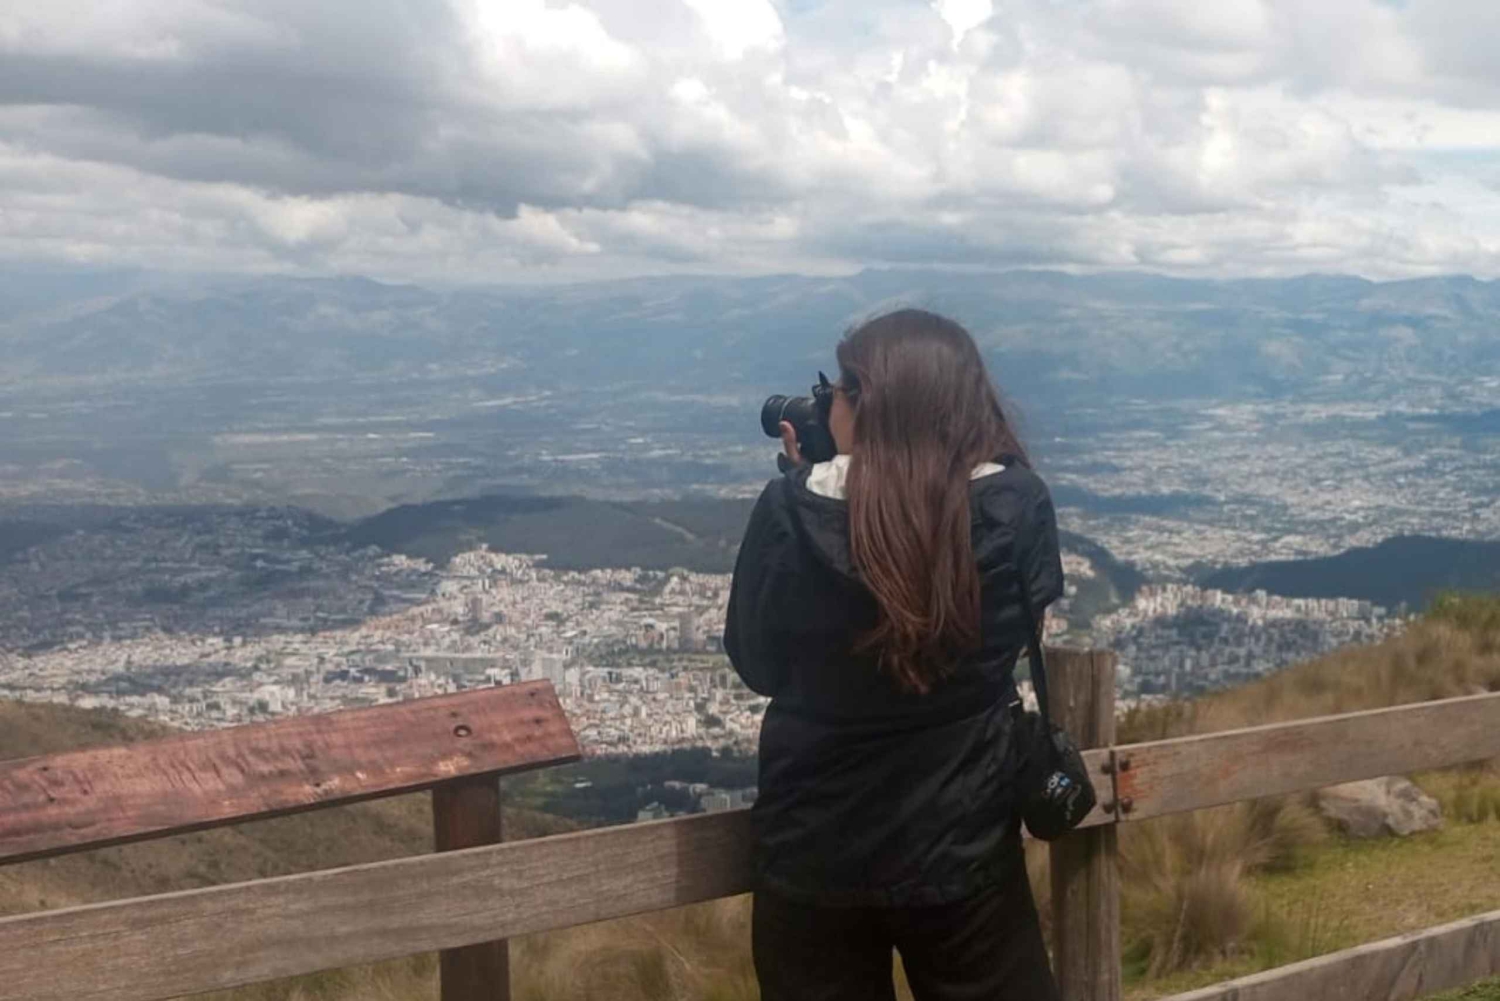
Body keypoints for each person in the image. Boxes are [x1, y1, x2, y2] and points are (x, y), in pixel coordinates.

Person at [723, 308, 1065, 1001]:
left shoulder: (791, 511)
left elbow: (756, 661)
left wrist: (820, 481)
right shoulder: (1016, 505)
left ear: (865, 405)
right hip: (965, 845)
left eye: (836, 392)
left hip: (813, 849)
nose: (828, 405)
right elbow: (1010, 629)